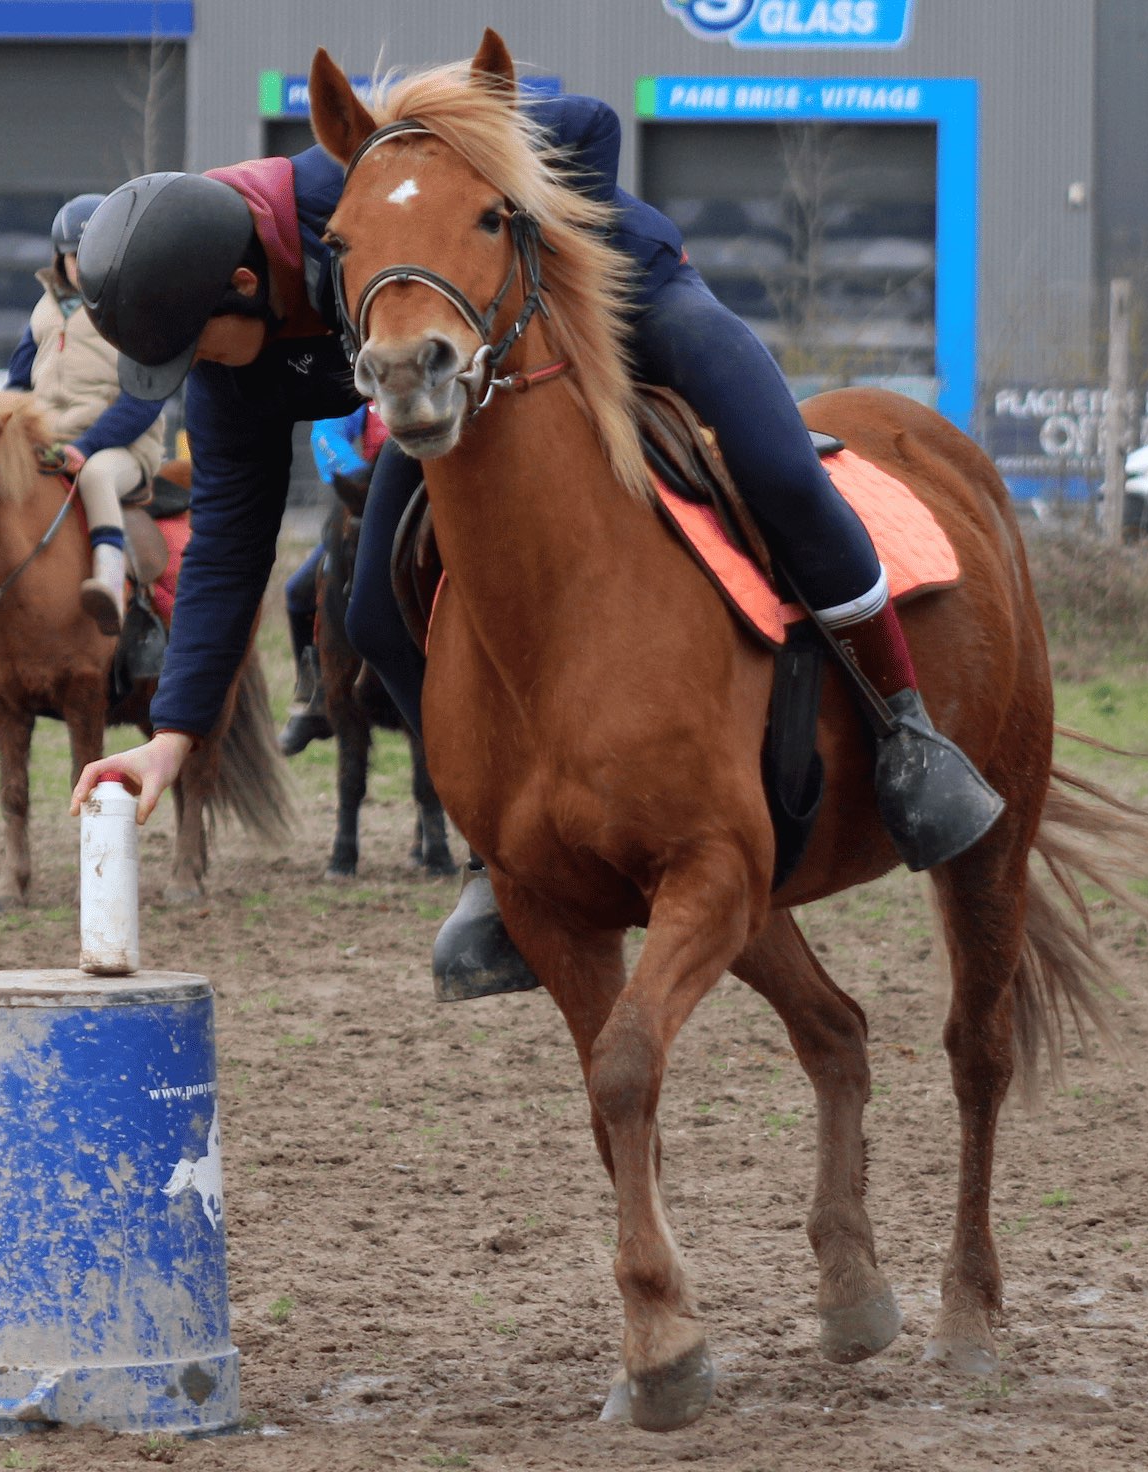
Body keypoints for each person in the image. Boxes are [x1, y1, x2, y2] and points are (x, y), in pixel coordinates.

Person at [67, 74, 1002, 1000]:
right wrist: (175, 737)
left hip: (626, 297)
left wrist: (525, 215)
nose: (198, 379)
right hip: (460, 386)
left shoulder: (362, 169)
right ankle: (497, 851)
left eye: (193, 352)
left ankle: (906, 730)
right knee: (373, 612)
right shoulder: (231, 371)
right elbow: (231, 543)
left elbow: (590, 123)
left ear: (242, 284)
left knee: (783, 470)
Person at [6, 193, 170, 636]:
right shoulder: (42, 310)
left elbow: (145, 399)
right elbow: (19, 383)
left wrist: (87, 446)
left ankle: (109, 581)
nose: (81, 265)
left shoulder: (138, 313)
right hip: (49, 442)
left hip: (121, 449)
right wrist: (13, 435)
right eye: (73, 256)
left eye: (93, 254)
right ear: (60, 259)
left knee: (96, 475)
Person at [279, 403, 392, 755]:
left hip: (432, 502)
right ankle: (315, 696)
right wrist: (364, 481)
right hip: (370, 505)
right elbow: (327, 434)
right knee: (298, 592)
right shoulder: (361, 383)